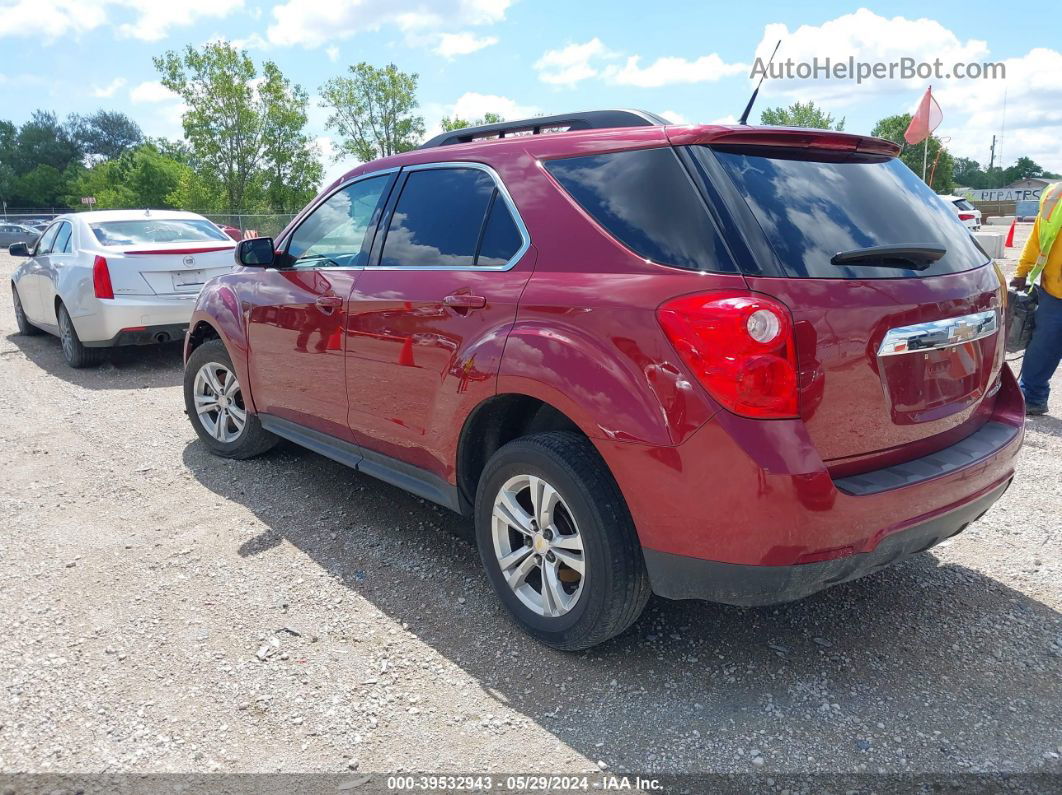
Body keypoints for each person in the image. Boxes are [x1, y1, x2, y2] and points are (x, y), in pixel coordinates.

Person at [1010, 182, 1062, 415]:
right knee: (1043, 347)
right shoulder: (1055, 196)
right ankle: (1032, 396)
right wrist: (1022, 271)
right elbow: (1038, 238)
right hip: (1055, 292)